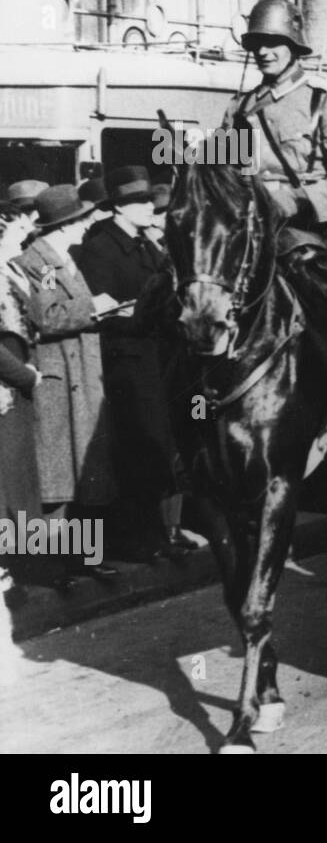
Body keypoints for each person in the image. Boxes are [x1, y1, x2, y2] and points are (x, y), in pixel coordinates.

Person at [222, 0, 327, 483]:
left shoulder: (324, 103)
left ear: (294, 47)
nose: (264, 52)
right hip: (252, 238)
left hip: (318, 238)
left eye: (274, 43)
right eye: (257, 43)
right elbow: (224, 174)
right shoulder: (239, 108)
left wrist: (294, 201)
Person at [76, 166, 192, 560]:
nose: (148, 206)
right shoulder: (101, 248)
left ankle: (156, 535)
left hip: (156, 356)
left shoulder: (148, 245)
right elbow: (100, 310)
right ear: (120, 208)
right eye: (139, 201)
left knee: (159, 447)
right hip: (126, 361)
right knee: (139, 448)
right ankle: (138, 540)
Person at [13, 186, 119, 587]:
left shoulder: (62, 259)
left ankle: (84, 561)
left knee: (84, 475)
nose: (86, 224)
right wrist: (97, 308)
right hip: (60, 382)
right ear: (66, 224)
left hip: (81, 379)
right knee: (59, 480)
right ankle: (55, 568)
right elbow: (49, 316)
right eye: (81, 219)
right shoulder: (40, 262)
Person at [0, 200, 42, 591]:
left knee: (17, 483)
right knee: (7, 483)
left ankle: (17, 566)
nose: (25, 237)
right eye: (17, 231)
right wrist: (26, 376)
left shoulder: (12, 270)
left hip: (16, 390)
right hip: (6, 390)